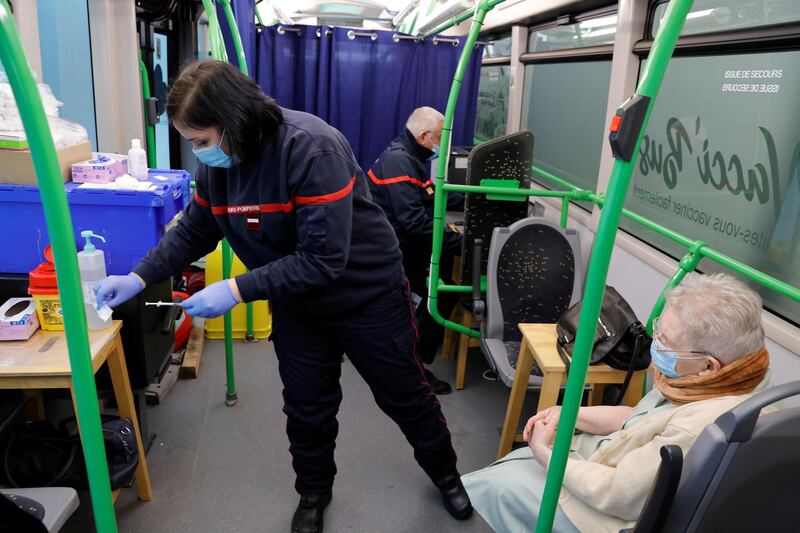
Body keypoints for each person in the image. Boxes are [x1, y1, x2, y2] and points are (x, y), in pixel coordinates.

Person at [94, 61, 472, 533]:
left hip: (365, 295)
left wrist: (235, 289)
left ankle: (447, 475)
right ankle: (313, 492)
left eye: (202, 141)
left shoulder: (311, 147)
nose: (198, 153)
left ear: (235, 120)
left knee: (404, 395)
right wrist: (139, 276)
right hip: (296, 301)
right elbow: (195, 229)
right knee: (306, 406)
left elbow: (323, 259)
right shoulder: (221, 167)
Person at [462, 273, 772, 532]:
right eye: (660, 330)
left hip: (612, 514)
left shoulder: (700, 428)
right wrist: (570, 415)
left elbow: (617, 494)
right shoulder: (741, 374)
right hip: (616, 463)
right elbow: (643, 419)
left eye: (667, 342)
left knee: (497, 485)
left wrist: (546, 454)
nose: (656, 343)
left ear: (708, 365)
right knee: (516, 463)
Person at [367, 107, 464, 395]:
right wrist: (461, 243)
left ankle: (413, 358)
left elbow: (429, 196)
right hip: (394, 250)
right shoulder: (400, 161)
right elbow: (414, 222)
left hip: (401, 244)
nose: (441, 146)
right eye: (438, 138)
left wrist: (473, 193)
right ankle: (415, 370)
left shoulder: (409, 157)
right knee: (441, 294)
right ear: (423, 136)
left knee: (444, 287)